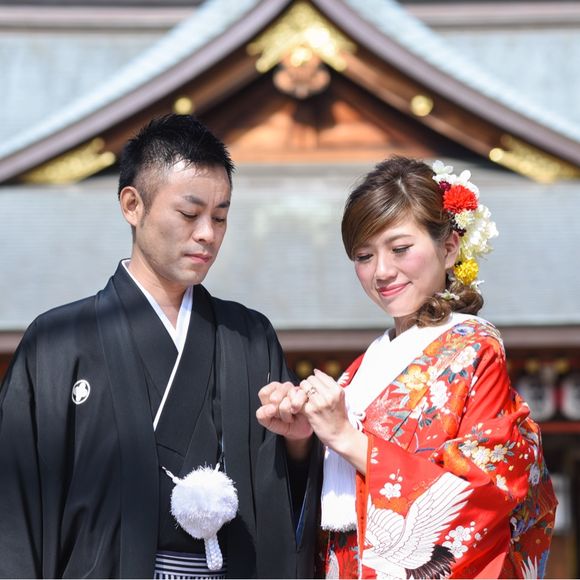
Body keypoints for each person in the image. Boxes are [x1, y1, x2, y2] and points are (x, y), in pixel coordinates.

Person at [0, 114, 320, 579]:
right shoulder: (57, 342)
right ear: (133, 205)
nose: (208, 233)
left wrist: (299, 441)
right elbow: (14, 512)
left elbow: (283, 497)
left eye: (220, 217)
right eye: (190, 214)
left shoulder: (249, 337)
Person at [257, 156, 557, 579]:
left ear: (449, 248)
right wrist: (302, 439)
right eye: (364, 256)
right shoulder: (361, 370)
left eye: (400, 249)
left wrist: (345, 438)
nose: (381, 271)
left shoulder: (473, 350)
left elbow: (485, 495)